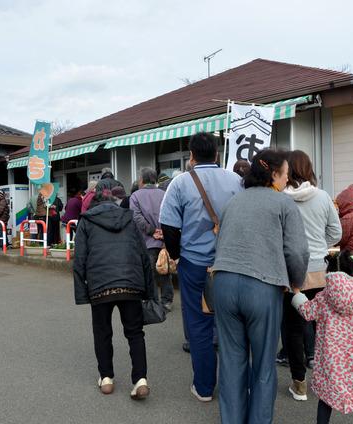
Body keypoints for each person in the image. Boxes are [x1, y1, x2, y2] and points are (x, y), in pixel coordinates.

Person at [212, 149, 310, 423]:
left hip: (223, 283)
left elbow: (219, 243)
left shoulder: (233, 202)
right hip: (262, 286)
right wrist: (296, 283)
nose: (286, 180)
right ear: (274, 174)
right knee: (264, 365)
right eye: (286, 175)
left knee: (231, 362)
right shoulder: (283, 204)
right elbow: (297, 253)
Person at [159, 132, 243, 402]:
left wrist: (177, 256)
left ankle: (205, 387)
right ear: (217, 154)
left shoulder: (180, 183)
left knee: (199, 325)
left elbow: (170, 227)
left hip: (194, 264)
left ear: (191, 156)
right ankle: (237, 389)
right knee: (233, 325)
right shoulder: (237, 181)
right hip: (231, 263)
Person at [291, 250, 353, 424]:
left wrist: (297, 293)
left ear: (328, 274)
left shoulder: (323, 299)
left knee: (326, 399)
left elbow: (307, 312)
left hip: (331, 365)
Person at [73, 193, 154, 400]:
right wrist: (148, 290)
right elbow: (144, 255)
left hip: (100, 285)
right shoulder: (128, 218)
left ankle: (106, 378)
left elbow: (80, 258)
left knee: (102, 332)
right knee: (135, 333)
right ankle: (140, 380)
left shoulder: (87, 221)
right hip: (131, 283)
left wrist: (83, 294)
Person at [279, 150, 342, 401]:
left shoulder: (281, 199)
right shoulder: (323, 196)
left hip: (290, 272)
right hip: (319, 270)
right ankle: (326, 378)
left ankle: (299, 383)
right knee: (321, 324)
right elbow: (336, 232)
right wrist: (318, 246)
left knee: (293, 330)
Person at [130, 167, 173, 311]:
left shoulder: (135, 196)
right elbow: (170, 214)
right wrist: (163, 232)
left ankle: (153, 301)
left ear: (141, 180)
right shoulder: (164, 194)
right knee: (164, 270)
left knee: (150, 273)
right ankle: (167, 301)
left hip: (146, 241)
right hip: (164, 240)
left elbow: (136, 218)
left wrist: (151, 231)